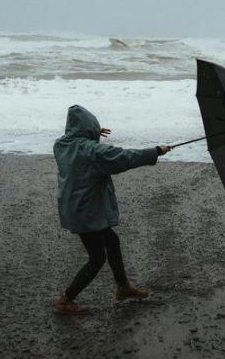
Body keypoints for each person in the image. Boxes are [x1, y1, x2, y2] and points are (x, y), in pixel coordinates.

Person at [53, 105, 170, 314]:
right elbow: (124, 157)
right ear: (88, 128)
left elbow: (82, 147)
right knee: (97, 258)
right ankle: (66, 299)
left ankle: (123, 286)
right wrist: (155, 151)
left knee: (112, 241)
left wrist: (92, 134)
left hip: (76, 206)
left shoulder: (62, 145)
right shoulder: (91, 151)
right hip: (86, 212)